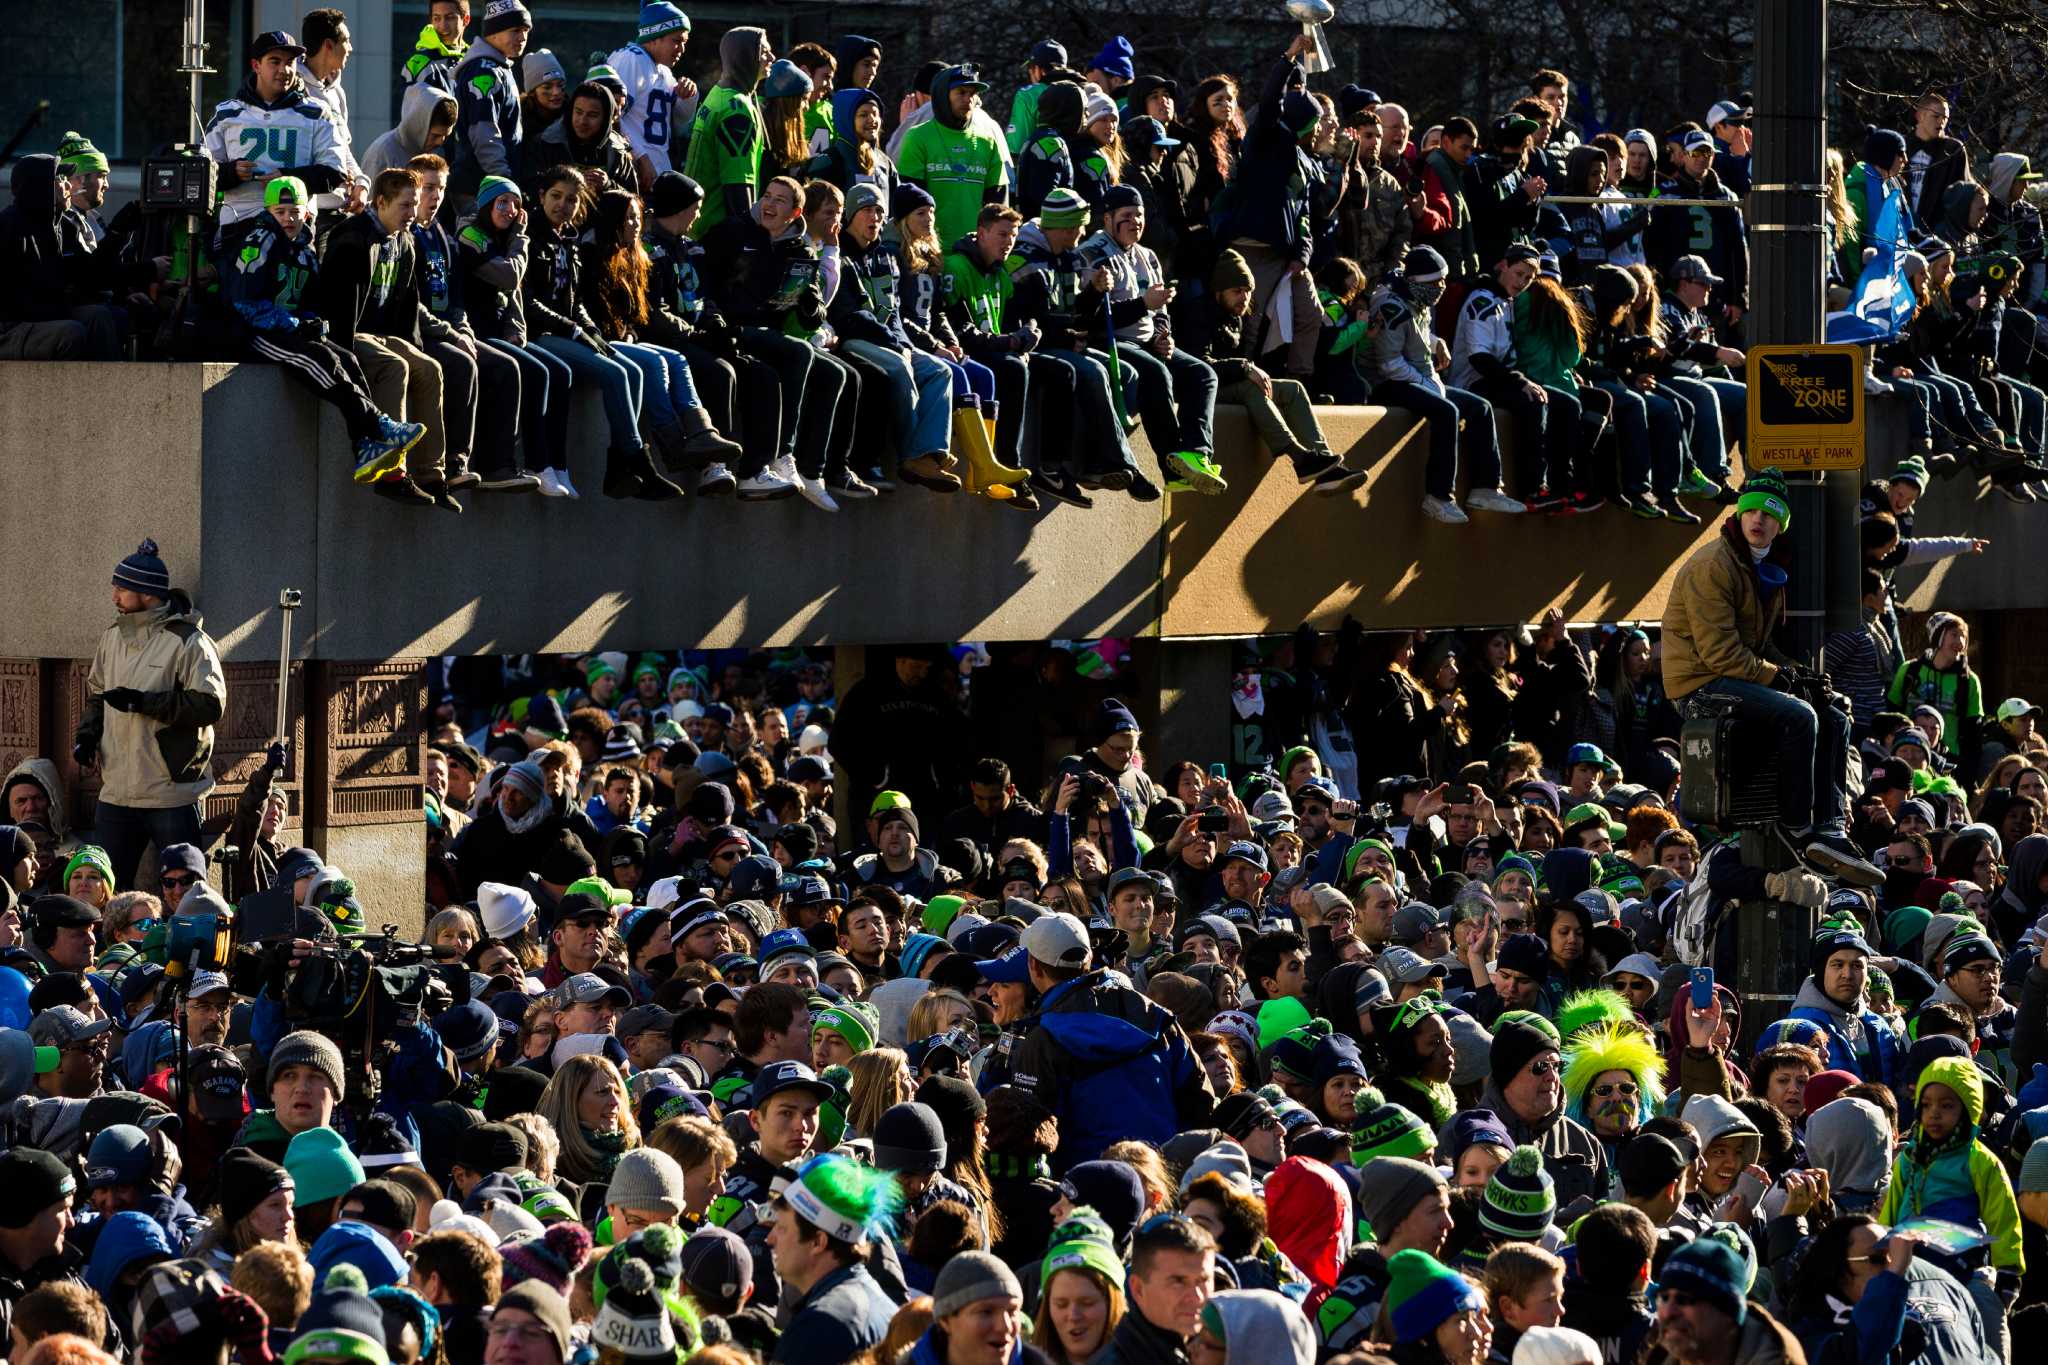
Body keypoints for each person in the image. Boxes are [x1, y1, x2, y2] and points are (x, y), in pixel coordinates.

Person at [1660, 469, 1883, 885]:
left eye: (1770, 513)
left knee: (1833, 713)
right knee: (1801, 717)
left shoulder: (1764, 566)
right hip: (1699, 684)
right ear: (1740, 516)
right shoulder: (1714, 565)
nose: (1759, 519)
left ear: (1780, 525)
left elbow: (1759, 646)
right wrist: (1781, 680)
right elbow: (1720, 654)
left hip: (1732, 674)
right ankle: (1799, 828)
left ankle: (1830, 828)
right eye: (1752, 511)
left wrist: (1800, 675)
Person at [224, 176, 426, 486]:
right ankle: (378, 425)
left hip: (289, 331)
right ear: (268, 211)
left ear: (306, 213)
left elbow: (310, 301)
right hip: (256, 334)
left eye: (295, 212)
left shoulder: (305, 251)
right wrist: (291, 324)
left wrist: (311, 321)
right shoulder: (260, 240)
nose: (288, 220)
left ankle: (365, 446)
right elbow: (245, 301)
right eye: (280, 212)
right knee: (320, 360)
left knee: (347, 358)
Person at [71, 541, 227, 891]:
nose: (114, 596)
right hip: (116, 795)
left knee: (185, 891)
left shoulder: (189, 641)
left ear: (147, 594)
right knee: (106, 892)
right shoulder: (112, 636)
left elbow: (210, 705)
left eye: (122, 588)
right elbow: (98, 694)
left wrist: (145, 703)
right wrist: (86, 737)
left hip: (170, 792)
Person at [1006, 914, 1214, 1169]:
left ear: (1034, 966)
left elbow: (1031, 1135)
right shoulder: (1152, 1015)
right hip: (1162, 1179)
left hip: (1084, 1189)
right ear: (1089, 959)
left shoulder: (1041, 1040)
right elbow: (1201, 1098)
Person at [1366, 246, 1528, 524]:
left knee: (1480, 408)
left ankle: (1486, 487)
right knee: (1446, 411)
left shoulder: (1418, 299)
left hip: (1421, 376)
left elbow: (1416, 331)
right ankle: (1438, 496)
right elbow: (1388, 363)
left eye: (1442, 280)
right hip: (1388, 383)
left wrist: (1434, 341)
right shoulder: (1390, 305)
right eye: (1435, 282)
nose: (1441, 287)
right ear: (1416, 282)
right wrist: (1426, 382)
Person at [202, 30, 347, 231]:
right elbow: (201, 174)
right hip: (239, 225)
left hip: (295, 229)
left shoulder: (317, 112)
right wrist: (231, 172)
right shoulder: (227, 113)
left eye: (290, 62)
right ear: (256, 65)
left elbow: (335, 172)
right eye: (275, 61)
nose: (284, 69)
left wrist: (287, 177)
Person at [766, 1153, 901, 1361]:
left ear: (818, 1242)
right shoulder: (882, 1306)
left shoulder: (820, 1326)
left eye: (782, 1228)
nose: (770, 1238)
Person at [684, 27, 771, 237]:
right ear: (746, 56)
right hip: (717, 232)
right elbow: (739, 183)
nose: (772, 57)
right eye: (764, 52)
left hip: (699, 224)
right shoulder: (737, 109)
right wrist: (747, 238)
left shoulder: (718, 94)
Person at [446, 0, 530, 205]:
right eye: (516, 30)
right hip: (480, 190)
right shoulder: (485, 71)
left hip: (487, 188)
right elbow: (483, 132)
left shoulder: (497, 67)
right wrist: (503, 181)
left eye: (526, 30)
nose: (523, 37)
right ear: (494, 32)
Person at [609, 4, 696, 192]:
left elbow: (680, 124)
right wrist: (640, 156)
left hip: (657, 172)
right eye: (677, 41)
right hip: (633, 172)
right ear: (654, 37)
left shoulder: (663, 70)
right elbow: (612, 119)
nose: (682, 49)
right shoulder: (632, 59)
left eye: (684, 42)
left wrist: (688, 97)